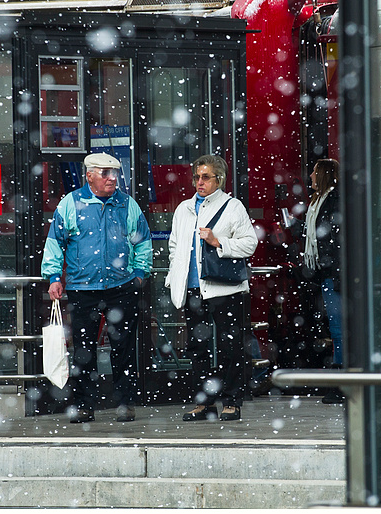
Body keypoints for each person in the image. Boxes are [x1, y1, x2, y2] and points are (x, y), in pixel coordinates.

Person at [41, 152, 152, 423]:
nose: (112, 178)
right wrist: (54, 276)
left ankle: (125, 403)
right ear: (89, 175)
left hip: (121, 287)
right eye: (105, 173)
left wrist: (139, 274)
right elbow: (55, 242)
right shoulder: (71, 204)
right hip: (82, 289)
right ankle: (83, 405)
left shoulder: (127, 205)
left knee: (123, 349)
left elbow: (143, 242)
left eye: (115, 172)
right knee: (83, 350)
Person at [165, 155, 258, 421]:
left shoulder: (232, 207)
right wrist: (175, 275)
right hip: (194, 288)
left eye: (206, 177)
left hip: (224, 288)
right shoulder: (184, 209)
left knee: (231, 347)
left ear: (220, 179)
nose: (199, 182)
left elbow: (250, 244)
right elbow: (174, 246)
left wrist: (220, 242)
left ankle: (231, 400)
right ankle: (204, 402)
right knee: (197, 347)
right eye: (196, 176)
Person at [302, 158, 344, 404]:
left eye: (314, 172)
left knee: (339, 331)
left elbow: (330, 240)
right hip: (329, 274)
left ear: (324, 175)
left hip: (334, 275)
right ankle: (341, 382)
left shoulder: (332, 201)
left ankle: (341, 384)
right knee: (338, 330)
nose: (310, 177)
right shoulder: (321, 202)